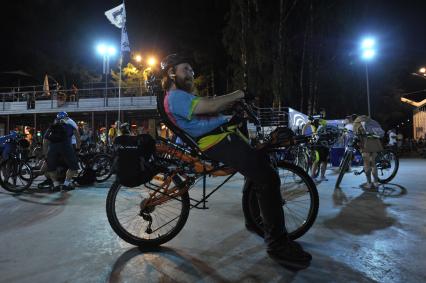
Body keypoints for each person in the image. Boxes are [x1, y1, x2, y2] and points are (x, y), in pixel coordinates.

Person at [159, 54, 311, 269]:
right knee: (267, 177)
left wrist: (232, 108)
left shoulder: (182, 97)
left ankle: (254, 221)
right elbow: (210, 106)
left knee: (259, 165)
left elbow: (210, 109)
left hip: (222, 137)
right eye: (186, 69)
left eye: (192, 70)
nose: (191, 73)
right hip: (216, 141)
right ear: (172, 72)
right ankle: (277, 245)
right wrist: (239, 94)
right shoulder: (175, 97)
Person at [43, 113, 81, 191]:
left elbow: (45, 140)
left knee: (51, 167)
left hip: (53, 147)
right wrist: (77, 149)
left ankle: (56, 185)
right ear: (66, 118)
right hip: (66, 146)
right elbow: (78, 138)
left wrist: (45, 153)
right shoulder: (70, 126)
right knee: (73, 167)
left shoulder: (51, 128)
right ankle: (66, 185)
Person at [353, 115, 383, 189]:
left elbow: (356, 135)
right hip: (375, 143)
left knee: (366, 164)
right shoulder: (372, 122)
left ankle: (369, 183)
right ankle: (376, 182)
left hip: (365, 144)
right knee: (373, 163)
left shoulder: (357, 123)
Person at [302, 110, 329, 182]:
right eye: (322, 113)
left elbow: (327, 130)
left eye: (324, 113)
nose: (323, 114)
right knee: (317, 159)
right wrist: (303, 135)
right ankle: (313, 176)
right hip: (317, 142)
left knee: (325, 161)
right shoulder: (314, 120)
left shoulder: (324, 121)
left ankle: (322, 176)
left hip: (324, 142)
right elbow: (305, 126)